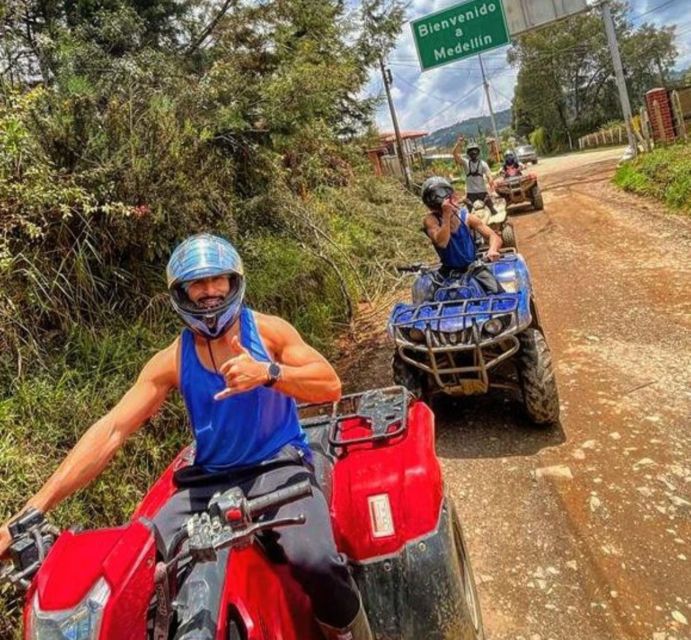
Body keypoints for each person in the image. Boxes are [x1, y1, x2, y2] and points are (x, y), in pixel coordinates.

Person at [0, 233, 372, 640]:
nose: (210, 292)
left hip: (277, 465)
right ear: (181, 292)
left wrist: (268, 374)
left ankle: (351, 632)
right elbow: (112, 429)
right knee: (135, 566)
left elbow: (330, 384)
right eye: (198, 283)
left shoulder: (268, 333)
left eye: (219, 280)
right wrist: (29, 514)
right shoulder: (172, 360)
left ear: (234, 283)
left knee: (314, 559)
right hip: (208, 479)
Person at [421, 177, 502, 286]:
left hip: (474, 268)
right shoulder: (431, 220)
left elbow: (494, 236)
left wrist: (492, 250)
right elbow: (442, 243)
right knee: (424, 295)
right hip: (448, 272)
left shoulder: (467, 217)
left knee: (498, 293)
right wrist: (446, 215)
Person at [452, 136, 499, 215]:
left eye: (475, 150)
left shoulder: (483, 164)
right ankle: (469, 223)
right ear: (468, 153)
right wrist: (459, 144)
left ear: (478, 152)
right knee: (468, 208)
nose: (473, 153)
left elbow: (489, 175)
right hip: (471, 193)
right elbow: (455, 154)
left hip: (482, 191)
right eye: (471, 151)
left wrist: (491, 183)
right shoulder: (466, 163)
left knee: (492, 208)